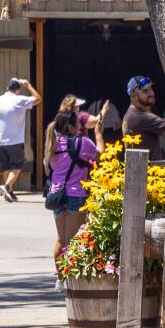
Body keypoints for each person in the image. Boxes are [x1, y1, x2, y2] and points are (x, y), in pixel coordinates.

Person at [43, 107, 100, 288]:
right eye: (78, 123)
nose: (80, 126)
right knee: (75, 239)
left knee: (61, 239)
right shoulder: (82, 142)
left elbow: (47, 169)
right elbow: (100, 153)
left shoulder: (52, 144)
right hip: (76, 194)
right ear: (72, 126)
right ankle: (71, 280)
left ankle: (60, 278)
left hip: (57, 195)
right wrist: (98, 133)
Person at [0, 76, 39, 202]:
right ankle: (7, 186)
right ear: (18, 90)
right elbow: (38, 98)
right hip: (15, 142)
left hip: (0, 142)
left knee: (6, 167)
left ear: (7, 88)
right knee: (17, 166)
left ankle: (10, 192)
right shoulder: (19, 100)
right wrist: (28, 85)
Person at [122, 75, 165, 150]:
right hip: (147, 162)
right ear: (134, 96)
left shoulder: (131, 113)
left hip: (141, 161)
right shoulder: (138, 116)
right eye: (145, 91)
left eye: (151, 89)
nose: (151, 94)